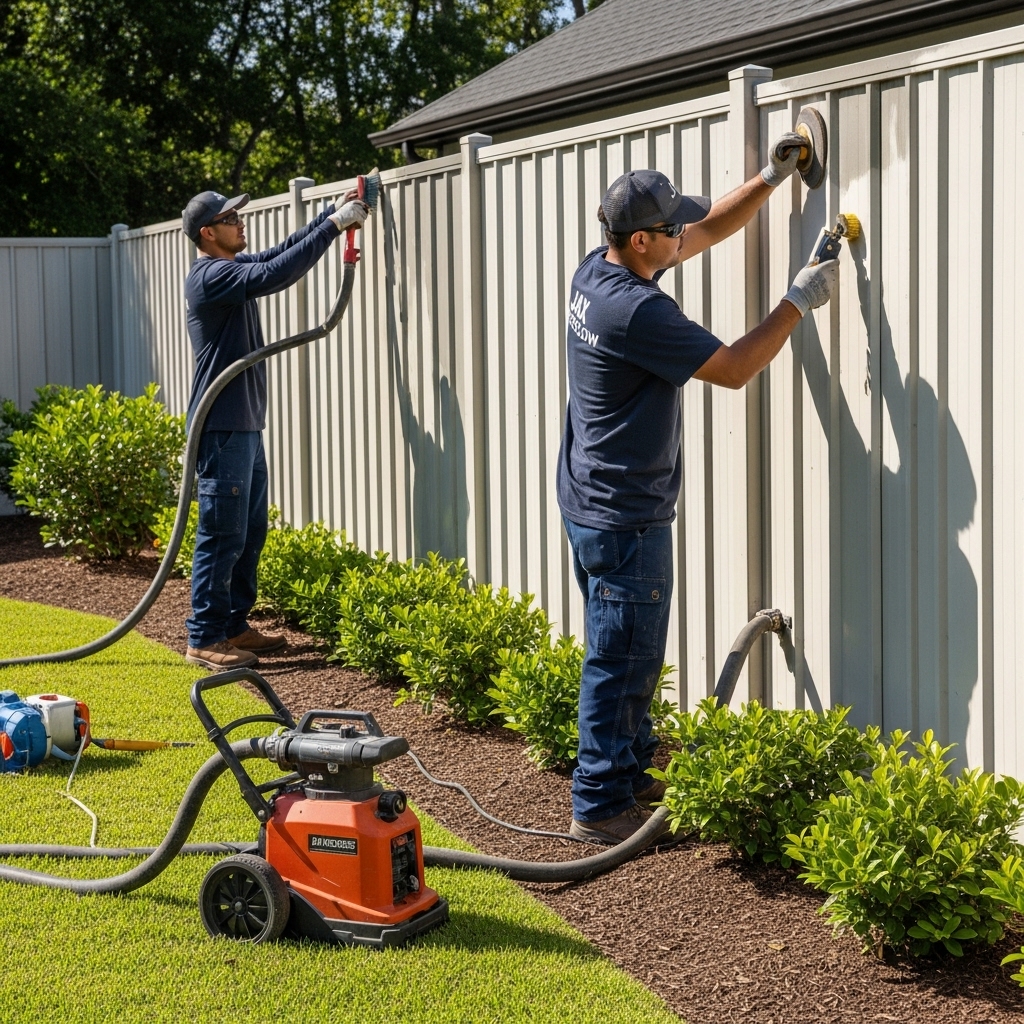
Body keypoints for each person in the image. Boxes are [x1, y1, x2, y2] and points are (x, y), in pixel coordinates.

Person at [558, 139, 839, 845]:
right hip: (626, 516)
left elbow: (708, 224)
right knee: (621, 659)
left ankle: (624, 771)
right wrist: (798, 301)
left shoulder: (599, 267)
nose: (686, 233)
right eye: (671, 229)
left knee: (621, 650)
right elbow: (737, 367)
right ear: (645, 240)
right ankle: (598, 807)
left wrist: (774, 176)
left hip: (590, 498)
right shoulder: (636, 312)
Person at [180, 187, 368, 670]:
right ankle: (204, 636)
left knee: (249, 529)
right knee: (222, 532)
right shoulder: (211, 276)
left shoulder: (231, 268)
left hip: (242, 424)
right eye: (230, 218)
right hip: (221, 426)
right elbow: (275, 273)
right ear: (208, 233)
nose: (241, 222)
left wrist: (332, 216)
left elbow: (276, 254)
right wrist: (334, 225)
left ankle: (233, 624)